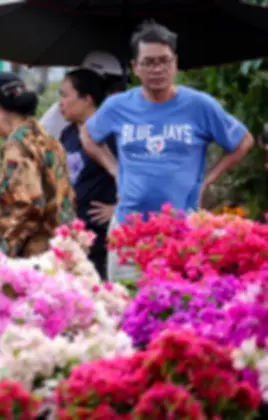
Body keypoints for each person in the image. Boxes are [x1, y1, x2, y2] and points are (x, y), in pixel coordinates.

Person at [81, 22, 254, 281]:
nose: (157, 69)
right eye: (149, 62)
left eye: (164, 61)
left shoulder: (199, 106)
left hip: (181, 231)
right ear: (135, 67)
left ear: (175, 63)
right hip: (129, 229)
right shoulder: (117, 106)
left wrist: (207, 180)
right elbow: (88, 135)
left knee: (177, 300)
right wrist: (114, 169)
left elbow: (242, 141)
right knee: (126, 300)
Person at [0, 72, 75, 257]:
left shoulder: (18, 147)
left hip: (33, 256)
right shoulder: (48, 140)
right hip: (60, 248)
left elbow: (26, 206)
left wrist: (0, 253)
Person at [58, 69, 116, 278]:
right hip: (72, 232)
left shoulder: (111, 134)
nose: (60, 103)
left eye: (65, 95)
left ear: (87, 99)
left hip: (100, 235)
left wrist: (119, 208)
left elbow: (137, 174)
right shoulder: (68, 133)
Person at [40, 51, 126, 139]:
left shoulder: (117, 125)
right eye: (110, 87)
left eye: (118, 87)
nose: (116, 93)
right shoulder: (62, 118)